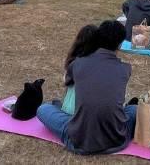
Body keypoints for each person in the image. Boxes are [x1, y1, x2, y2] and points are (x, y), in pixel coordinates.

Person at [37, 20, 137, 155]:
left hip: (78, 139)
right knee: (134, 109)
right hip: (117, 139)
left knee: (43, 109)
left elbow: (68, 81)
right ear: (120, 44)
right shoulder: (125, 69)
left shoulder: (78, 64)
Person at [60, 24, 101, 115]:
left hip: (69, 114)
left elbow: (66, 81)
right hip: (86, 117)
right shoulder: (101, 63)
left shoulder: (74, 62)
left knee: (44, 109)